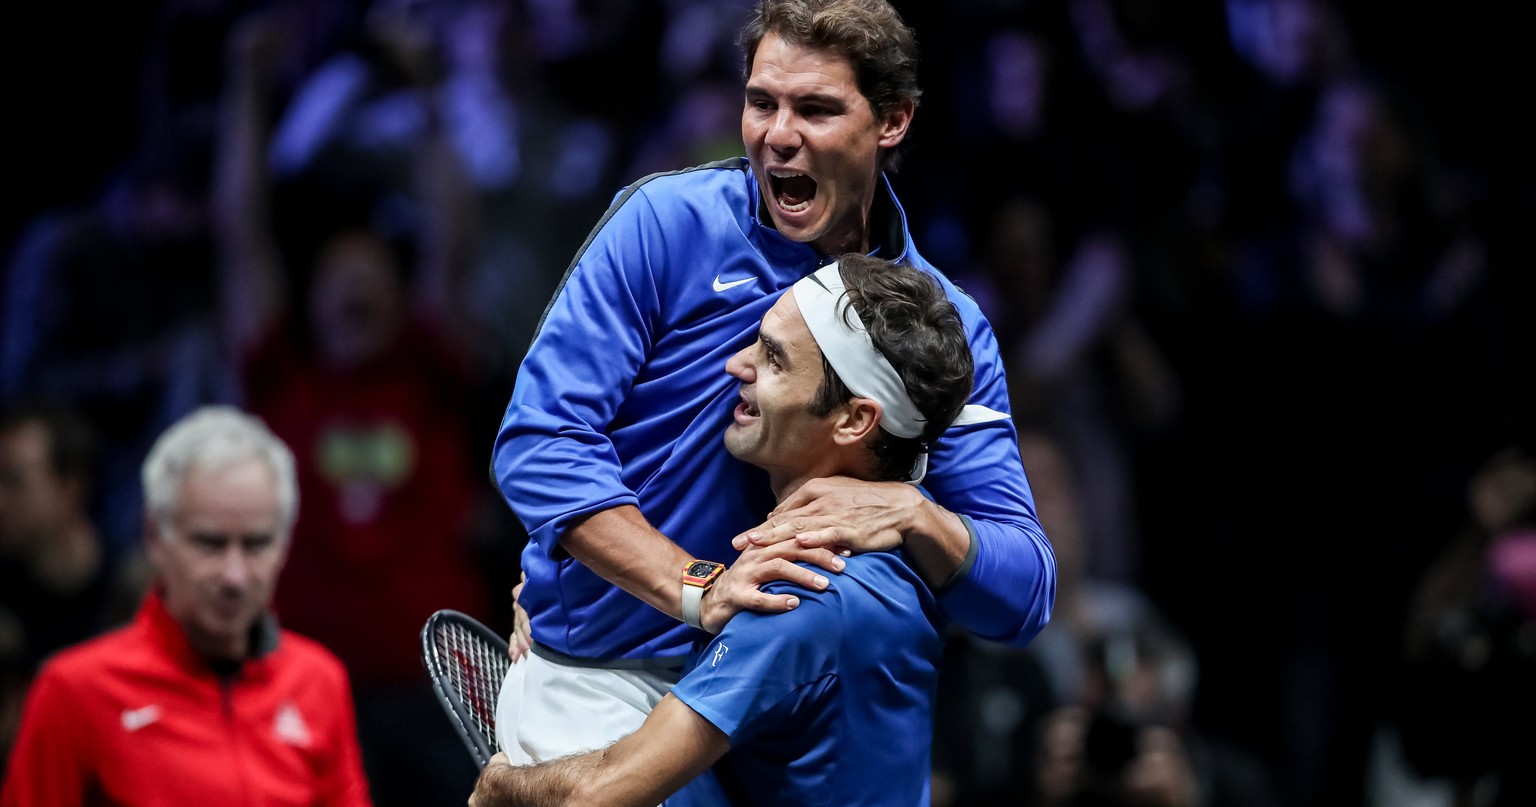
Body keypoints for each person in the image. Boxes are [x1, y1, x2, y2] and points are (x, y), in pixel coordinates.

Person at [491, 0, 1056, 764]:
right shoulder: (663, 224)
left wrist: (913, 512)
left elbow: (1023, 591)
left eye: (816, 109)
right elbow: (539, 443)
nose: (777, 135)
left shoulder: (941, 324)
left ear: (892, 120)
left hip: (792, 719)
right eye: (762, 102)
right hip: (612, 679)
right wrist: (692, 586)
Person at [475, 254, 974, 805]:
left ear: (855, 420)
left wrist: (502, 788)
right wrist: (569, 588)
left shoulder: (799, 596)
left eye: (774, 360)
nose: (737, 364)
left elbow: (593, 798)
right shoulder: (913, 539)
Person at [0, 405, 373, 806]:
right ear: (156, 537)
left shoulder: (319, 682)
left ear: (285, 546)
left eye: (256, 544)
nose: (235, 575)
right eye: (210, 544)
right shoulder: (73, 692)